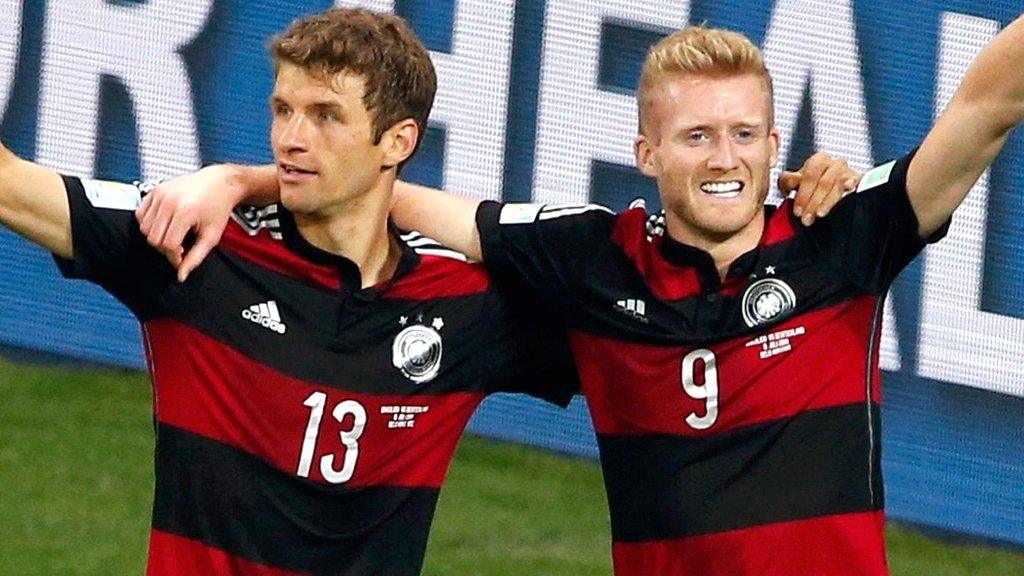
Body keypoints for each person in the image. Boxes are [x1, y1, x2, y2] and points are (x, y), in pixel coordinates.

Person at [141, 12, 1024, 575]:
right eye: (697, 135)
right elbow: (379, 187)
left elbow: (988, 103)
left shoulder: (845, 234)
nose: (724, 158)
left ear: (772, 141)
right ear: (647, 154)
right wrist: (243, 179)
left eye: (745, 134)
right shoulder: (590, 258)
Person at [0, 8, 589, 576]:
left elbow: (643, 334)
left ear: (398, 141)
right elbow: (10, 187)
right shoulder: (196, 242)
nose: (291, 138)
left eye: (326, 116)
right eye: (283, 110)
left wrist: (238, 178)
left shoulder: (466, 305)